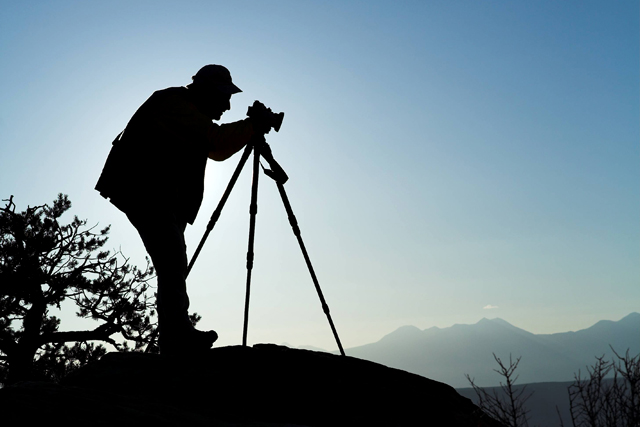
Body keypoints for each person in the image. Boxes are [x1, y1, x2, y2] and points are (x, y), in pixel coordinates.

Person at [95, 65, 261, 355]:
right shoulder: (174, 104)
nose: (227, 104)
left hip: (158, 196)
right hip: (144, 193)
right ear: (205, 90)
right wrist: (252, 126)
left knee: (173, 261)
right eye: (223, 96)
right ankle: (176, 337)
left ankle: (176, 333)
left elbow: (216, 148)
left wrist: (250, 127)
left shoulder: (185, 109)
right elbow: (217, 142)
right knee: (172, 259)